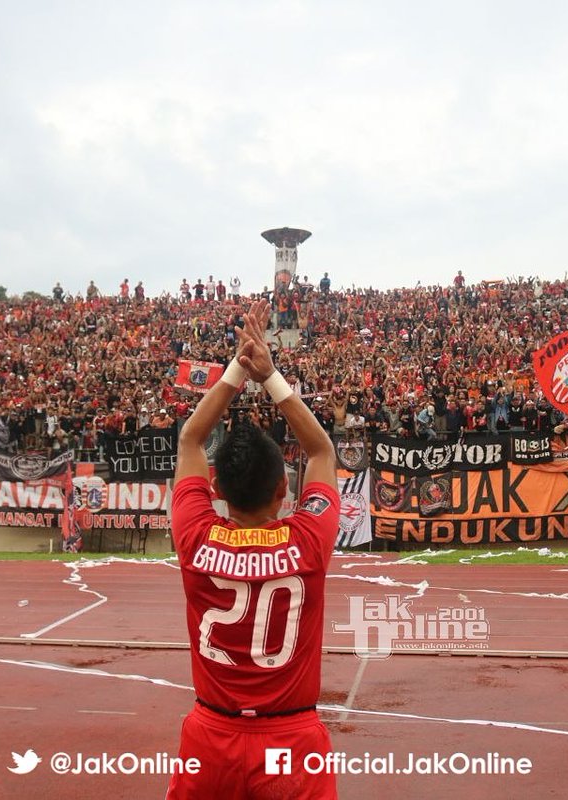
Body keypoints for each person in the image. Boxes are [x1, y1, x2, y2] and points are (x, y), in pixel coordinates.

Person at [168, 298, 340, 799]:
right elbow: (322, 451)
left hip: (210, 738)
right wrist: (270, 376)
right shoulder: (306, 541)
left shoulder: (197, 535)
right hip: (292, 742)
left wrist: (235, 373)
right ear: (284, 492)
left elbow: (190, 441)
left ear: (215, 489)